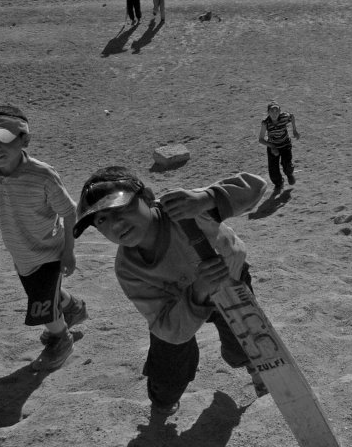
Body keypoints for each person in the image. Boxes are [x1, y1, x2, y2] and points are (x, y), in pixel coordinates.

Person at [73, 167, 269, 415]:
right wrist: (198, 290)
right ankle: (163, 402)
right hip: (177, 307)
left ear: (147, 197)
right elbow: (166, 324)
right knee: (169, 368)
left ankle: (259, 373)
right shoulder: (129, 268)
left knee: (247, 342)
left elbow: (256, 186)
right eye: (101, 220)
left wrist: (207, 198)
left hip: (230, 281)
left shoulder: (184, 210)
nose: (115, 223)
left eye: (120, 208)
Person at [0, 104, 88, 373]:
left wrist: (69, 251)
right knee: (42, 291)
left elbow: (68, 213)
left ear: (25, 140)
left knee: (41, 303)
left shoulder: (42, 175)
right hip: (19, 250)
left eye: (3, 141)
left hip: (50, 249)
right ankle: (72, 307)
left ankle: (61, 339)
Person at [258, 101, 300, 193]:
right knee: (273, 170)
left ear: (280, 111)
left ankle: (289, 174)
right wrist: (272, 146)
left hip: (285, 145)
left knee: (287, 164)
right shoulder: (265, 123)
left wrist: (294, 130)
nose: (274, 113)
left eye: (276, 111)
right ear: (268, 112)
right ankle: (279, 183)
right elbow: (261, 139)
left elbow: (292, 116)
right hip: (273, 146)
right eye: (272, 111)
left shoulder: (284, 117)